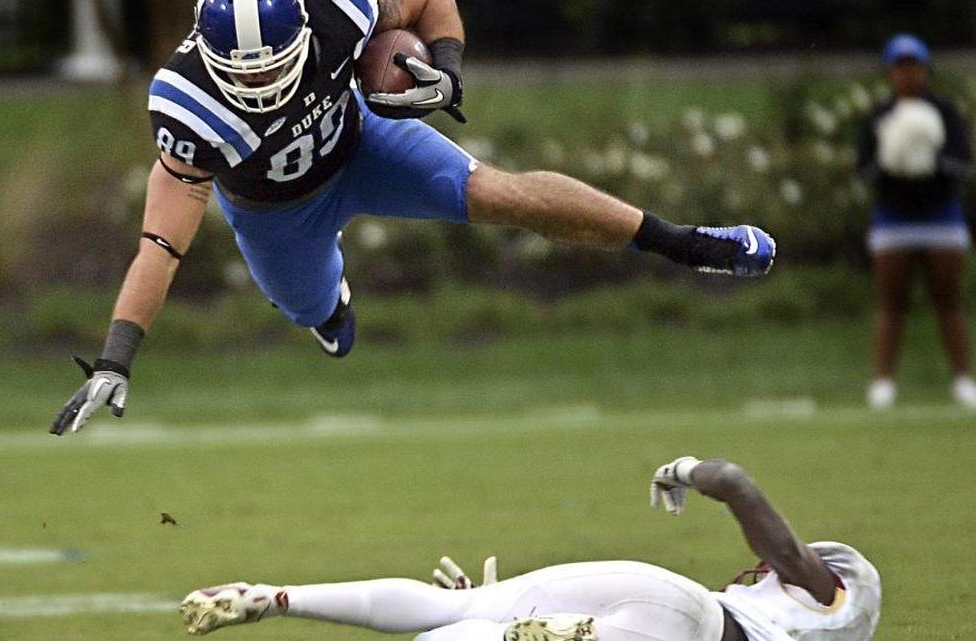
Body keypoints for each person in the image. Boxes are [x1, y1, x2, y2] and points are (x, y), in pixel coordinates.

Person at [49, 0, 777, 435]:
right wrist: (116, 358)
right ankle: (330, 306)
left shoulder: (337, 10)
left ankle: (685, 243)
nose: (264, 82)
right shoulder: (187, 107)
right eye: (247, 72)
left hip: (366, 143)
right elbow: (160, 245)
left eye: (274, 64)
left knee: (502, 194)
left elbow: (429, 1)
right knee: (312, 310)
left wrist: (448, 69)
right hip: (276, 214)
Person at [179, 456, 881, 641]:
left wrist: (685, 468)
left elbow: (733, 482)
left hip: (665, 595)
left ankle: (277, 597)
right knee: (482, 622)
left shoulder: (827, 593)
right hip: (689, 625)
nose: (760, 565)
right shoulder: (800, 620)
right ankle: (552, 632)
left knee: (454, 619)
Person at [857, 33, 976, 410]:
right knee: (891, 302)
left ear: (925, 70)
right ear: (891, 72)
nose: (908, 74)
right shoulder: (879, 116)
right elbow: (864, 168)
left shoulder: (945, 112)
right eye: (900, 67)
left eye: (914, 67)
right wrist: (891, 161)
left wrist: (932, 161)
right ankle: (883, 382)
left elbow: (963, 163)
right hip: (894, 218)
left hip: (941, 216)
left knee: (949, 300)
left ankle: (962, 380)